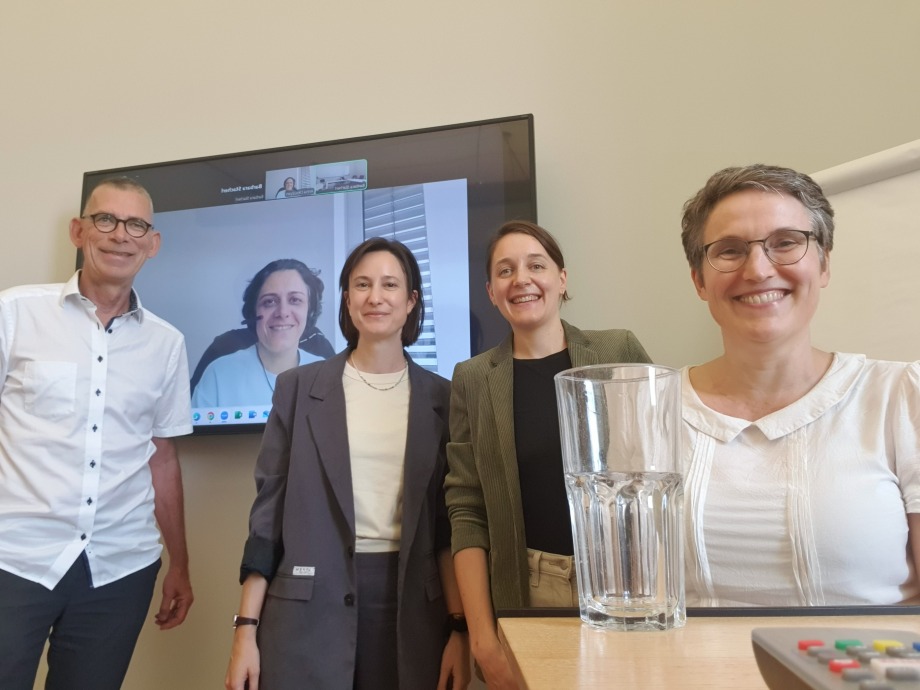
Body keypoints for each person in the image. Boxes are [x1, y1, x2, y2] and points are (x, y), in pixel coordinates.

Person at [225, 238, 470, 690]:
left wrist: (460, 628)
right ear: (346, 299)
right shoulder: (297, 388)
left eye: (389, 285)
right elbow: (267, 520)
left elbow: (447, 529)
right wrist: (245, 630)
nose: (375, 297)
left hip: (413, 611)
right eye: (362, 284)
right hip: (307, 613)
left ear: (411, 300)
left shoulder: (443, 397)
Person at [679, 164, 920, 607]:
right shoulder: (648, 410)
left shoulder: (902, 397)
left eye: (785, 243)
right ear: (699, 279)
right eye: (729, 250)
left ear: (824, 262)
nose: (757, 269)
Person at [0, 177, 194, 690]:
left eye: (136, 225)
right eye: (106, 220)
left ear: (152, 243)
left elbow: (162, 457)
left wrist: (180, 563)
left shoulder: (167, 344)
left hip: (119, 567)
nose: (119, 236)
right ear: (78, 230)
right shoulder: (15, 313)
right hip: (14, 557)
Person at [445, 220, 651, 688]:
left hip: (626, 584)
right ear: (492, 291)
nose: (521, 279)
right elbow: (466, 510)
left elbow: (665, 466)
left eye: (536, 265)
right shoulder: (473, 378)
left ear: (561, 278)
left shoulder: (617, 350)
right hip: (531, 589)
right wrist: (482, 637)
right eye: (505, 270)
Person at [192, 259, 325, 408]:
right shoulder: (218, 375)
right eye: (269, 302)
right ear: (253, 311)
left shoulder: (327, 375)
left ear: (310, 310)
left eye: (295, 300)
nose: (282, 313)